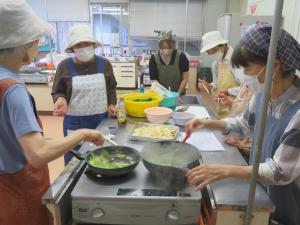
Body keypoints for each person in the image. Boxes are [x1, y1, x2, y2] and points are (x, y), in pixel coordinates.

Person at [0, 1, 104, 225]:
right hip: (21, 192)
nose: (38, 46)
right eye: (35, 41)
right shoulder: (12, 89)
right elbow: (37, 155)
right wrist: (82, 134)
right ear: (22, 46)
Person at [186, 24, 300, 225]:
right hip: (258, 192)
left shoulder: (297, 112)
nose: (246, 75)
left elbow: (279, 172)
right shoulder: (263, 94)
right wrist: (206, 123)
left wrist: (225, 170)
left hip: (285, 204)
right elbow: (243, 124)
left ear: (274, 66)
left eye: (248, 68)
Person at [51, 25, 117, 164]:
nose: (83, 47)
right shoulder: (64, 66)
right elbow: (58, 91)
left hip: (101, 121)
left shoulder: (104, 64)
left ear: (93, 44)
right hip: (75, 124)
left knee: (102, 158)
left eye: (86, 43)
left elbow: (111, 87)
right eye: (78, 45)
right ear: (72, 48)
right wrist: (60, 99)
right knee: (75, 161)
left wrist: (111, 104)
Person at [198, 31, 243, 95]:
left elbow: (248, 88)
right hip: (222, 103)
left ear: (223, 45)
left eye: (214, 50)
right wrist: (208, 86)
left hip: (237, 103)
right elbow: (217, 85)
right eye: (208, 52)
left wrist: (228, 91)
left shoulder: (236, 60)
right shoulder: (215, 64)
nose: (212, 54)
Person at [149, 30, 189, 97]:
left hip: (179, 94)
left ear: (173, 46)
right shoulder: (154, 58)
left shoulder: (181, 56)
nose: (166, 50)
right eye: (163, 48)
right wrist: (163, 94)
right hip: (161, 95)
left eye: (168, 47)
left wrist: (178, 94)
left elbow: (185, 78)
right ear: (159, 47)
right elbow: (154, 80)